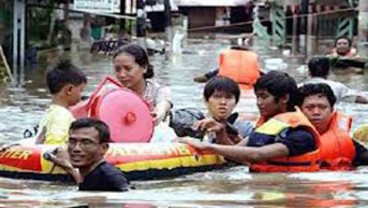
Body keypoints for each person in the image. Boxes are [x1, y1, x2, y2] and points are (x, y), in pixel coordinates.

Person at [180, 71, 321, 172]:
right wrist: (221, 132)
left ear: (284, 98)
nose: (259, 103)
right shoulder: (269, 125)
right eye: (257, 97)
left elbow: (257, 155)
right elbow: (235, 154)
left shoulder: (300, 134)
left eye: (264, 97)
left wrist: (207, 147)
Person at [48, 118, 130, 192]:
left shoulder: (111, 177)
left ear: (103, 148)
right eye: (72, 141)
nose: (76, 148)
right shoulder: (90, 176)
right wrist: (69, 167)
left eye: (86, 142)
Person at [298, 83, 368, 169]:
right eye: (310, 107)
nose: (316, 112)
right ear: (300, 110)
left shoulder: (346, 142)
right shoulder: (288, 138)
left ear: (332, 110)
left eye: (322, 107)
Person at [171, 76, 253, 141]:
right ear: (206, 100)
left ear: (236, 101)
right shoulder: (191, 119)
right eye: (217, 97)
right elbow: (170, 118)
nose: (223, 102)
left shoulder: (244, 128)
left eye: (228, 97)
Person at [113, 43, 172, 126]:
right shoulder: (111, 92)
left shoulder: (158, 90)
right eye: (117, 69)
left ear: (144, 68)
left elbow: (163, 104)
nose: (122, 75)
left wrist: (158, 113)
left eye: (128, 69)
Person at [35, 59, 87, 144]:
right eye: (80, 90)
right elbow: (54, 143)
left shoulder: (51, 113)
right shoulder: (62, 116)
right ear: (69, 90)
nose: (81, 95)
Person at [300, 57, 368, 104]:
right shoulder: (338, 87)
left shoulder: (299, 87)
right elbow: (360, 99)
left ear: (309, 72)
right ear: (328, 72)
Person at [193, 45, 261, 90]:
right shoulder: (256, 71)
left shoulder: (220, 71)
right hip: (249, 92)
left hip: (227, 90)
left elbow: (198, 79)